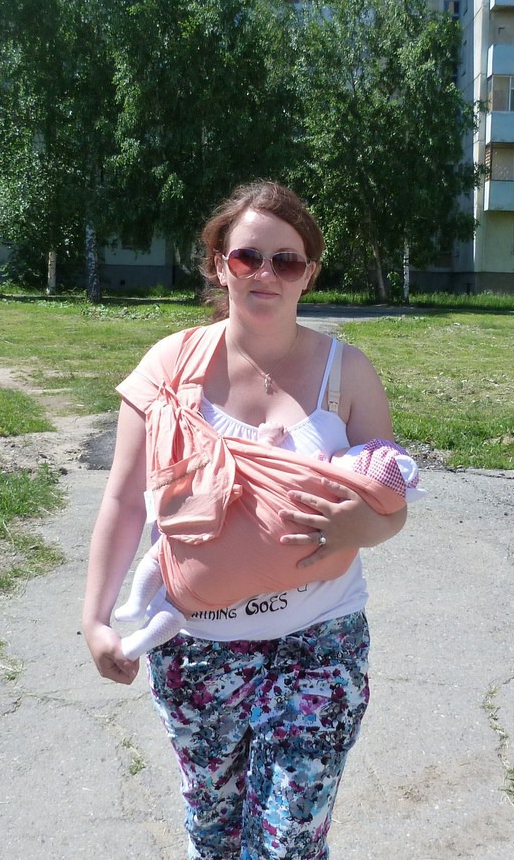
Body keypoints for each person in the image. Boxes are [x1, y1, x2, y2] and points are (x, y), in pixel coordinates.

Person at [83, 180, 409, 859]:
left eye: (286, 261)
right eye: (247, 257)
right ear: (218, 264)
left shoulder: (348, 373)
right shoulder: (169, 366)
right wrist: (96, 619)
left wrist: (364, 529)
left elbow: (389, 501)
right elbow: (123, 501)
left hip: (321, 641)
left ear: (309, 273)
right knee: (216, 834)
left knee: (289, 843)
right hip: (197, 649)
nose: (266, 274)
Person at [113, 435, 424, 660]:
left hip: (213, 565)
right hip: (229, 614)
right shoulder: (348, 518)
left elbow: (268, 465)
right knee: (181, 607)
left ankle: (137, 604)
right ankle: (142, 638)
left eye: (352, 455)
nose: (345, 452)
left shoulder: (317, 472)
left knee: (163, 554)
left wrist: (267, 441)